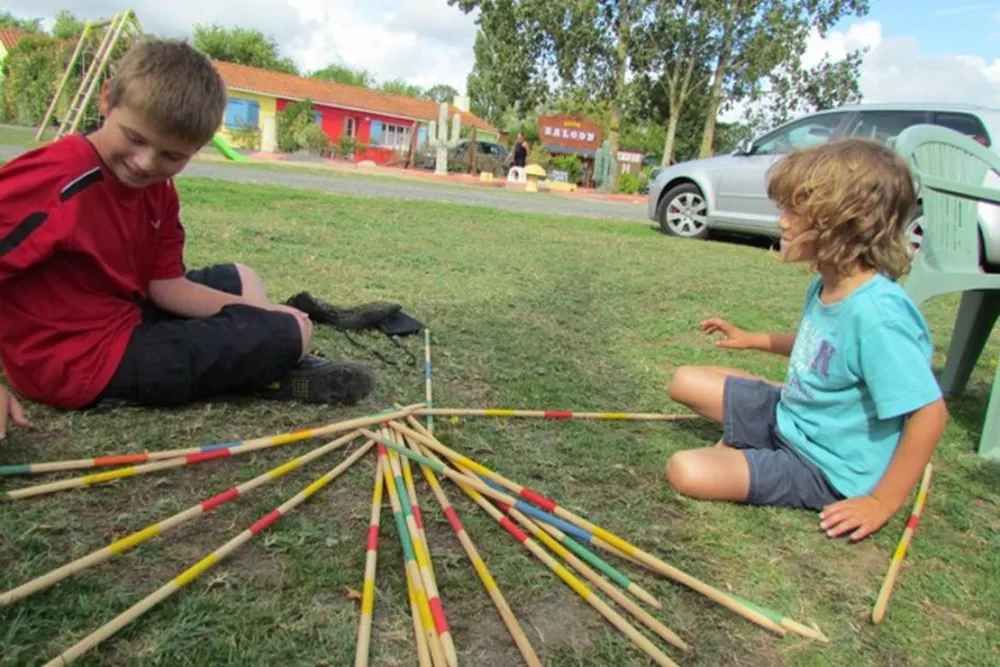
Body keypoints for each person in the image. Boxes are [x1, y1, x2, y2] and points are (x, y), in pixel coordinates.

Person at [0, 38, 374, 440]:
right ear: (108, 101)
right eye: (135, 138)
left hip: (124, 312)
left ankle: (260, 361)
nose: (146, 164)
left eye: (171, 156)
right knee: (287, 333)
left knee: (244, 279)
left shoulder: (158, 190)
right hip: (76, 362)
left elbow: (164, 286)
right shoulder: (60, 174)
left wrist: (254, 312)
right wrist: (264, 322)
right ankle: (264, 368)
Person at [664, 138, 948, 542]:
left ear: (846, 225)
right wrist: (754, 339)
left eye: (794, 212)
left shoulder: (879, 316)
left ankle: (775, 434)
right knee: (684, 379)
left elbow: (929, 414)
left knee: (685, 470)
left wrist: (882, 502)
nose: (782, 221)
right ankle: (788, 414)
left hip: (824, 464)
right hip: (791, 415)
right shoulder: (827, 283)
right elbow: (819, 344)